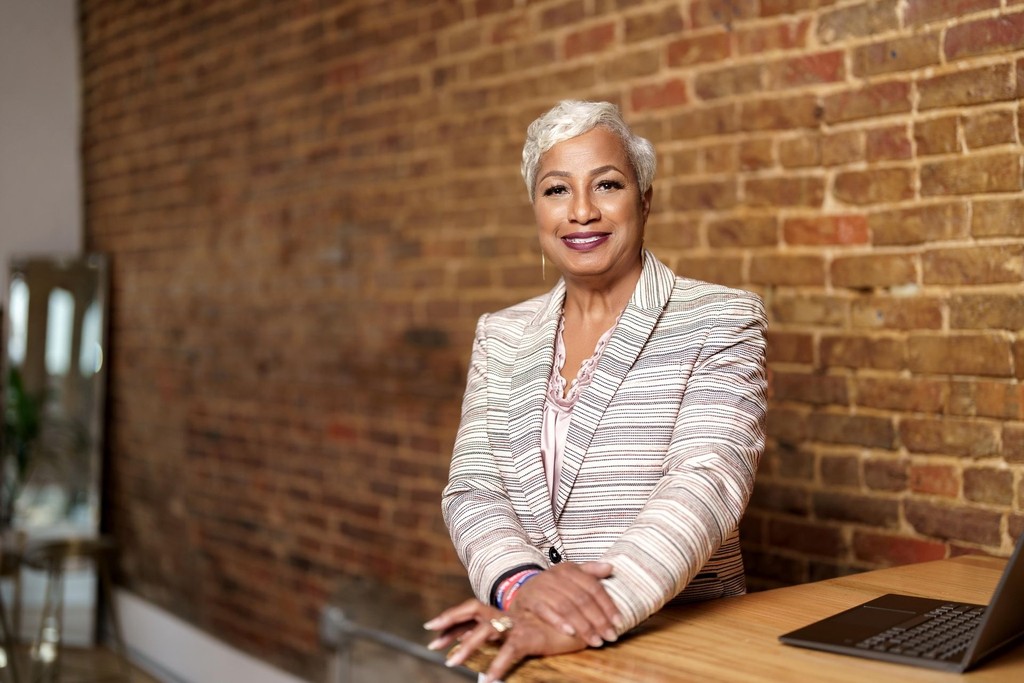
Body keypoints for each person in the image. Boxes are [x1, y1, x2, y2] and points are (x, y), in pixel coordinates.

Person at [424, 100, 768, 682]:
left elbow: (706, 480)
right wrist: (524, 588)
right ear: (536, 208)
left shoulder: (720, 318)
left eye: (606, 184)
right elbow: (473, 491)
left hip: (680, 646)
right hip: (531, 638)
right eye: (556, 190)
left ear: (645, 199)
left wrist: (585, 613)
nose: (582, 211)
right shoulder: (502, 334)